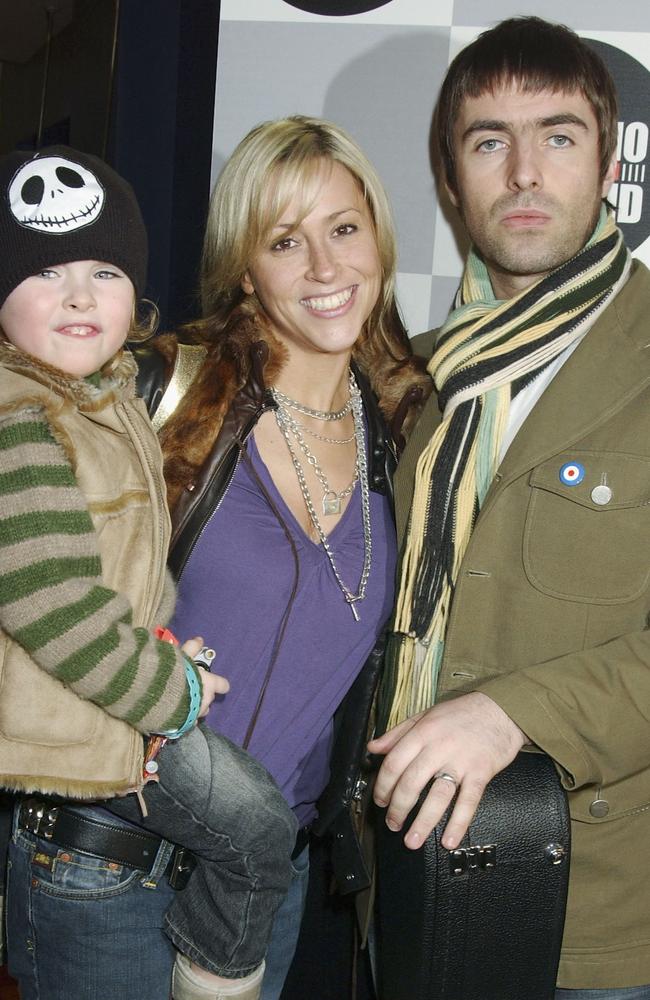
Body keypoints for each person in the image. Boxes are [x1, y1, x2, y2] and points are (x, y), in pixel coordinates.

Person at [369, 15, 650, 998]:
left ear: (607, 160)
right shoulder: (408, 377)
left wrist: (512, 713)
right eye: (489, 141)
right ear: (450, 178)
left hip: (593, 921)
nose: (524, 172)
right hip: (403, 884)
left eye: (557, 137)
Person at [129, 114, 429, 999]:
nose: (327, 269)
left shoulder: (407, 427)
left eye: (344, 229)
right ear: (246, 269)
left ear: (378, 234)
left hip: (275, 879)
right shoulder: (167, 391)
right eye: (286, 241)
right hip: (114, 861)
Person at [0, 145, 297, 1000]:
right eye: (46, 271)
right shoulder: (23, 418)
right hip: (90, 742)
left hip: (114, 714)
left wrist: (159, 641)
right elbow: (54, 606)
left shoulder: (106, 395)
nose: (82, 294)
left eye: (105, 269)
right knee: (256, 827)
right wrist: (173, 692)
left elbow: (112, 576)